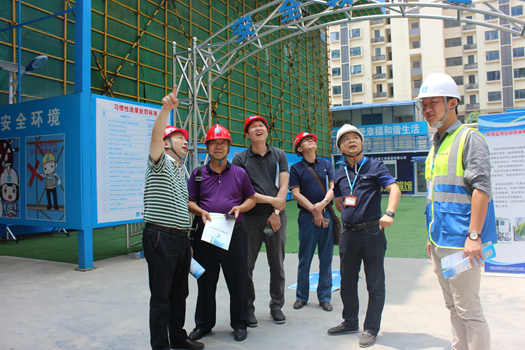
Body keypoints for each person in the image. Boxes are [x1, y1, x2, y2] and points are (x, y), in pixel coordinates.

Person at [416, 73, 496, 350]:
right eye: (423, 105)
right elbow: (434, 197)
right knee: (453, 306)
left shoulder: (469, 138)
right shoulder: (436, 143)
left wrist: (474, 235)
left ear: (452, 103)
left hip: (462, 244)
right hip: (440, 242)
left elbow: (481, 189)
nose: (427, 110)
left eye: (433, 103)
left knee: (469, 311)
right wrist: (430, 237)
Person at [142, 85, 204, 350]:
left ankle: (178, 338)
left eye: (185, 138)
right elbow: (155, 138)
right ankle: (160, 346)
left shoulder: (181, 169)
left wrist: (186, 240)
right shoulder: (159, 161)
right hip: (160, 237)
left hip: (179, 239)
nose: (185, 141)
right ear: (167, 142)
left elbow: (181, 207)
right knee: (162, 298)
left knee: (180, 294)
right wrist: (166, 110)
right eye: (179, 137)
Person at [327, 124, 401, 348]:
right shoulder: (340, 174)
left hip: (372, 233)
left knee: (375, 284)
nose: (351, 141)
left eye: (355, 138)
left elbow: (394, 189)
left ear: (361, 142)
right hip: (348, 235)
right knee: (347, 283)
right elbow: (339, 202)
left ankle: (371, 328)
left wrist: (389, 212)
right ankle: (350, 321)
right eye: (346, 139)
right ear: (340, 147)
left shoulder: (376, 166)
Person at [187, 124, 256, 342]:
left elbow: (251, 199)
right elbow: (189, 202)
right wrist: (201, 211)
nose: (218, 147)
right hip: (206, 235)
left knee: (237, 280)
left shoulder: (239, 173)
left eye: (223, 143)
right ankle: (204, 324)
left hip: (233, 234)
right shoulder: (198, 174)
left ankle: (240, 323)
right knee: (205, 281)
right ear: (207, 147)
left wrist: (240, 208)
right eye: (214, 143)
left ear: (228, 146)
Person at [232, 115, 289, 326]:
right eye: (253, 127)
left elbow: (284, 185)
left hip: (276, 217)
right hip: (250, 219)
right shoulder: (240, 159)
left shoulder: (279, 155)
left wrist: (275, 212)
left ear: (267, 131)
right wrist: (271, 202)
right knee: (246, 266)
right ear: (247, 135)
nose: (259, 128)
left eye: (262, 126)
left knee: (277, 264)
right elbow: (244, 192)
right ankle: (248, 309)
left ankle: (277, 306)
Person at [288, 132, 335, 312]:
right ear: (299, 149)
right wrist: (314, 210)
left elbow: (333, 187)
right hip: (307, 217)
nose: (310, 140)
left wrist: (322, 205)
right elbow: (297, 194)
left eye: (312, 139)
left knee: (326, 257)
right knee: (305, 258)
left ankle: (324, 297)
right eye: (305, 140)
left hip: (327, 215)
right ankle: (302, 296)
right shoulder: (296, 169)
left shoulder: (326, 164)